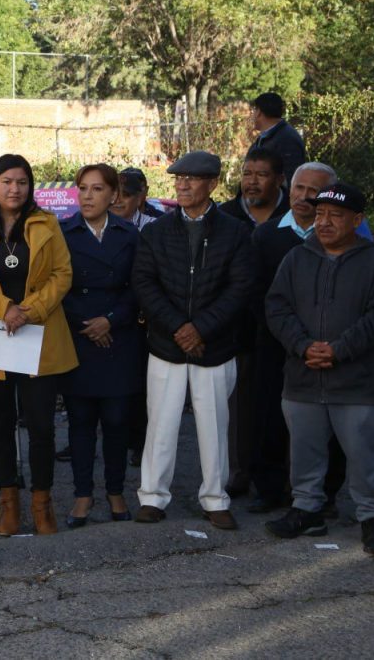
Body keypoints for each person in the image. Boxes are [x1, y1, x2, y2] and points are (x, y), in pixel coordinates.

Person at [265, 183, 374, 555]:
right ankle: (307, 511)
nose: (324, 222)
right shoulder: (296, 258)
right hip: (303, 376)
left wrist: (338, 351)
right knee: (304, 452)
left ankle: (373, 519)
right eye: (320, 214)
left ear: (357, 220)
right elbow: (276, 308)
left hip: (355, 382)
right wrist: (303, 345)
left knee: (365, 454)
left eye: (335, 216)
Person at [131, 150, 254, 530]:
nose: (182, 184)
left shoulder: (236, 232)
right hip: (167, 345)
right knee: (160, 424)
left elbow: (240, 288)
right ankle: (152, 497)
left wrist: (200, 328)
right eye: (178, 178)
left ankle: (215, 498)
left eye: (193, 178)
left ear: (213, 183)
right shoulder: (156, 231)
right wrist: (179, 329)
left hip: (214, 347)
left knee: (215, 425)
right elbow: (144, 284)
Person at [0, 154, 76, 537]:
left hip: (38, 334)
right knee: (1, 424)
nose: (15, 189)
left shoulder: (47, 223)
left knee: (41, 424)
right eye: (7, 181)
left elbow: (63, 274)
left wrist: (28, 311)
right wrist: (4, 308)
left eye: (22, 182)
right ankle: (8, 499)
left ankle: (42, 502)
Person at [248, 162, 348, 515]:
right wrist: (293, 339)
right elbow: (257, 294)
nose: (304, 197)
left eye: (313, 191)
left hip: (327, 350)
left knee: (329, 423)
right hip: (276, 345)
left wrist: (320, 345)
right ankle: (269, 489)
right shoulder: (267, 235)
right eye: (299, 188)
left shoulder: (346, 239)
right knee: (269, 419)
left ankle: (327, 493)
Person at [59, 163, 144, 528]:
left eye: (96, 189)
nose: (88, 196)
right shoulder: (63, 233)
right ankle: (82, 495)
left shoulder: (131, 234)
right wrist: (88, 323)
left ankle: (114, 490)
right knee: (80, 421)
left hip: (119, 336)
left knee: (116, 421)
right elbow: (56, 285)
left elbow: (139, 287)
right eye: (83, 189)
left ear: (114, 196)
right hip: (77, 335)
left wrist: (111, 319)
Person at [218, 148, 289, 497]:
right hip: (240, 329)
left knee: (286, 405)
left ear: (279, 179)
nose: (252, 181)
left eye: (261, 175)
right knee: (241, 407)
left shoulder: (299, 215)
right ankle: (240, 472)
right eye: (247, 174)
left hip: (289, 332)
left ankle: (285, 478)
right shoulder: (225, 217)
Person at [109, 166, 161, 468]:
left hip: (142, 318)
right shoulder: (97, 225)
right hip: (106, 316)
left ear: (141, 197)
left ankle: (139, 443)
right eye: (114, 195)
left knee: (140, 384)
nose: (117, 202)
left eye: (125, 196)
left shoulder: (155, 226)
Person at [249, 92, 308, 184]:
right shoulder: (265, 138)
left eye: (254, 110)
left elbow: (291, 179)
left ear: (259, 112)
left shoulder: (288, 140)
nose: (252, 116)